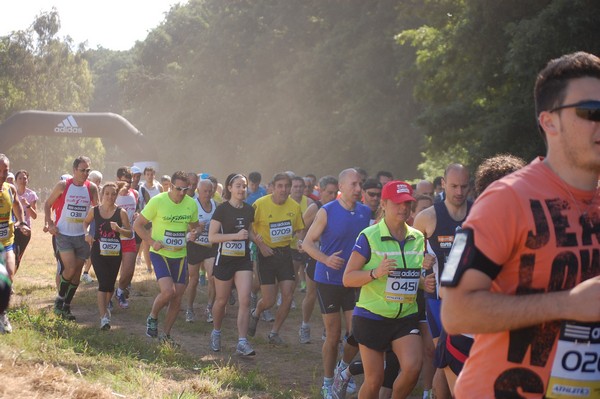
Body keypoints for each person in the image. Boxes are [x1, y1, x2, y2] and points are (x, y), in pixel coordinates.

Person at [440, 51, 600, 398]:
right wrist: (568, 304)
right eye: (591, 112)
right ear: (549, 122)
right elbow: (454, 312)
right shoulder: (505, 199)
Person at [342, 181, 425, 399]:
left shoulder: (417, 237)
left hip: (404, 316)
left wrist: (426, 282)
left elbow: (412, 277)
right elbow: (348, 278)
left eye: (407, 202)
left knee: (413, 367)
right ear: (384, 204)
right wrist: (375, 273)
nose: (403, 208)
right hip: (372, 316)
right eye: (397, 203)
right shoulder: (369, 236)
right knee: (374, 380)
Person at [302, 168, 371, 399]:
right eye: (353, 184)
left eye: (359, 184)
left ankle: (343, 369)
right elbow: (307, 243)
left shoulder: (365, 211)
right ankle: (327, 382)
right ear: (341, 187)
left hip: (353, 280)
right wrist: (326, 259)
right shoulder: (327, 211)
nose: (358, 189)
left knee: (357, 332)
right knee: (333, 336)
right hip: (329, 281)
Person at [413, 163, 471, 399]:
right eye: (454, 186)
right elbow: (411, 260)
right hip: (438, 301)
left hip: (471, 302)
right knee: (445, 361)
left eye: (464, 186)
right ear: (443, 184)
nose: (459, 192)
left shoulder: (480, 212)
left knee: (464, 362)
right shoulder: (427, 217)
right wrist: (420, 277)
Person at [133, 171, 200, 344]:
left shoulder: (191, 204)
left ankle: (166, 335)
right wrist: (151, 241)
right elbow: (138, 225)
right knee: (168, 291)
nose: (182, 193)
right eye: (179, 189)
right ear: (170, 185)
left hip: (180, 255)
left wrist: (195, 233)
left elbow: (196, 227)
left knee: (177, 297)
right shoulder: (158, 201)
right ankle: (153, 316)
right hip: (160, 254)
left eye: (186, 189)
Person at [248, 172, 305, 344]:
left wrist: (300, 240)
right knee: (269, 301)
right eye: (280, 186)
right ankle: (257, 311)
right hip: (266, 255)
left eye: (287, 186)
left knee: (288, 295)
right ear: (272, 187)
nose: (284, 189)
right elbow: (248, 228)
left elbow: (300, 228)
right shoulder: (260, 204)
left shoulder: (294, 207)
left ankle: (274, 332)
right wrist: (261, 246)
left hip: (285, 254)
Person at [45, 156, 99, 321]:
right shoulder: (63, 185)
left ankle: (66, 307)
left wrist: (93, 233)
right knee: (69, 269)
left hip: (82, 237)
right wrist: (50, 223)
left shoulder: (92, 188)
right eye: (82, 170)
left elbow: (97, 212)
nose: (85, 173)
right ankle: (59, 301)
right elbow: (47, 204)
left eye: (87, 170)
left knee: (76, 275)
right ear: (74, 170)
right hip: (64, 235)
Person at [208, 173, 257, 355]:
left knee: (245, 300)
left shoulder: (249, 210)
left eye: (244, 186)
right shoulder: (222, 209)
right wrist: (235, 236)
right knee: (221, 301)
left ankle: (242, 342)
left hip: (243, 260)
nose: (242, 189)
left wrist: (260, 243)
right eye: (238, 186)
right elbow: (212, 237)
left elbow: (249, 232)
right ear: (229, 188)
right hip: (224, 259)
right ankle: (216, 331)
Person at [83, 182, 132, 330]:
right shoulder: (95, 210)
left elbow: (129, 233)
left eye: (113, 194)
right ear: (102, 194)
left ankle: (105, 308)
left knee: (110, 285)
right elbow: (85, 223)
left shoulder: (121, 212)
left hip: (114, 253)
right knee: (103, 284)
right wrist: (87, 234)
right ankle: (103, 316)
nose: (110, 196)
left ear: (116, 195)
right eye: (107, 193)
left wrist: (118, 229)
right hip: (98, 251)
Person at [299, 175, 339, 344]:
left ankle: (327, 329)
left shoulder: (338, 207)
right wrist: (303, 244)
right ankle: (305, 325)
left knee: (333, 293)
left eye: (335, 192)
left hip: (332, 256)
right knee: (312, 292)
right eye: (329, 192)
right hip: (314, 255)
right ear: (321, 191)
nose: (332, 195)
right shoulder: (315, 208)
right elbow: (301, 228)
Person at [0, 155, 30, 332]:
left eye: (6, 170)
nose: (4, 174)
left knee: (9, 274)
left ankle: (2, 315)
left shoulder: (10, 188)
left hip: (7, 241)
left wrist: (22, 222)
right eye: (0, 170)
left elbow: (17, 205)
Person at [184, 178, 217, 323]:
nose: (208, 194)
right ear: (198, 191)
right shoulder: (192, 205)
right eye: (205, 191)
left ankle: (210, 308)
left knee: (213, 278)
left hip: (210, 246)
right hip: (195, 245)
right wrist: (195, 231)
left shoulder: (216, 205)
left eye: (210, 191)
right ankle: (189, 309)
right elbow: (184, 228)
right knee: (194, 279)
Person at [114, 167, 140, 309]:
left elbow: (136, 209)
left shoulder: (134, 194)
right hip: (113, 238)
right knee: (112, 271)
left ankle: (119, 292)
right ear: (117, 179)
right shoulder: (112, 194)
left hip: (129, 237)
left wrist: (136, 214)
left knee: (129, 271)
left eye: (130, 181)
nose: (128, 184)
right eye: (125, 181)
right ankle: (108, 294)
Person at [138, 166, 164, 274]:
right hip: (146, 218)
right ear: (145, 176)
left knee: (159, 241)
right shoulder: (142, 187)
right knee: (146, 243)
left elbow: (163, 200)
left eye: (151, 174)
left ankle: (160, 266)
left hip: (158, 218)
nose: (149, 176)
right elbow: (140, 203)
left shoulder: (159, 187)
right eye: (147, 174)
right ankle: (149, 268)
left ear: (154, 175)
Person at [82, 170, 103, 284]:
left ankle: (86, 272)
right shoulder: (85, 188)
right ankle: (85, 272)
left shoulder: (101, 190)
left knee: (93, 246)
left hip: (94, 221)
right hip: (86, 220)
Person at [14, 170, 38, 270]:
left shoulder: (31, 194)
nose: (22, 180)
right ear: (16, 180)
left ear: (27, 180)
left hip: (25, 230)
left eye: (25, 178)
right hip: (13, 228)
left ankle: (10, 279)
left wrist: (27, 205)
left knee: (18, 256)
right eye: (20, 178)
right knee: (11, 254)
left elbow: (34, 216)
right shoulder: (12, 193)